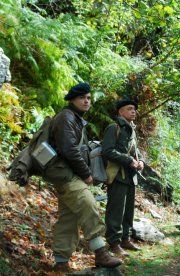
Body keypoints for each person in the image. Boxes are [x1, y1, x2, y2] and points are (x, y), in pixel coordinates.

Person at [47, 83, 122, 272]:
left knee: (68, 218)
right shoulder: (66, 117)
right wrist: (87, 174)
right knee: (89, 205)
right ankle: (101, 252)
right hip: (66, 175)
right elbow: (69, 149)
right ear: (72, 100)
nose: (87, 101)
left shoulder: (74, 118)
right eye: (82, 98)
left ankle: (61, 261)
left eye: (88, 98)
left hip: (66, 174)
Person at [102, 100, 143, 256]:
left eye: (134, 109)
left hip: (131, 176)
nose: (134, 111)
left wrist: (141, 162)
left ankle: (125, 239)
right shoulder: (114, 128)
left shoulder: (132, 129)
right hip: (118, 175)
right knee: (116, 211)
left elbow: (136, 152)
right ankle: (114, 242)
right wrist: (129, 160)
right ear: (120, 112)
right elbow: (108, 151)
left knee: (128, 211)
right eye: (129, 109)